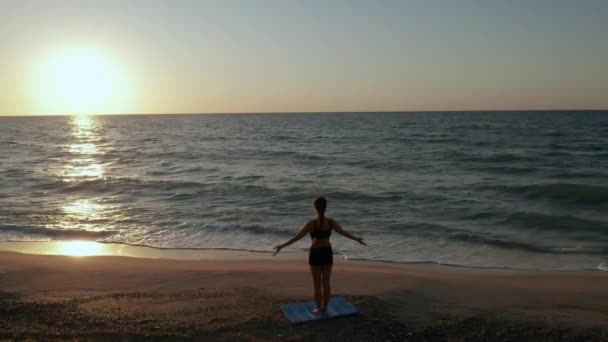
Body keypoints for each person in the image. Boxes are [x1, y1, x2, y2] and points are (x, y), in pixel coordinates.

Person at [273, 197, 366, 315]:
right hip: (327, 252)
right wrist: (356, 239)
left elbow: (297, 237)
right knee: (326, 283)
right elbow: (343, 232)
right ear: (325, 207)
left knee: (317, 284)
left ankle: (318, 309)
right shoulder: (331, 222)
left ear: (315, 208)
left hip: (316, 254)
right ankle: (325, 309)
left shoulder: (312, 224)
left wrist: (282, 246)